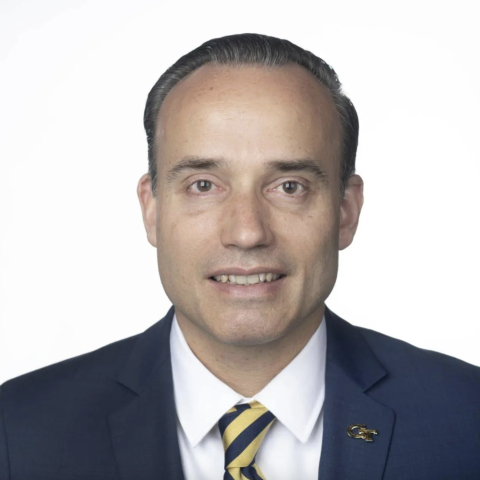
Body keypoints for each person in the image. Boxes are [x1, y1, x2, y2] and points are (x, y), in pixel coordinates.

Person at [1, 33, 479, 480]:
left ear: (346, 211)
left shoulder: (466, 419)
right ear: (151, 209)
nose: (247, 233)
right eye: (203, 185)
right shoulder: (17, 431)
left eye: (289, 187)